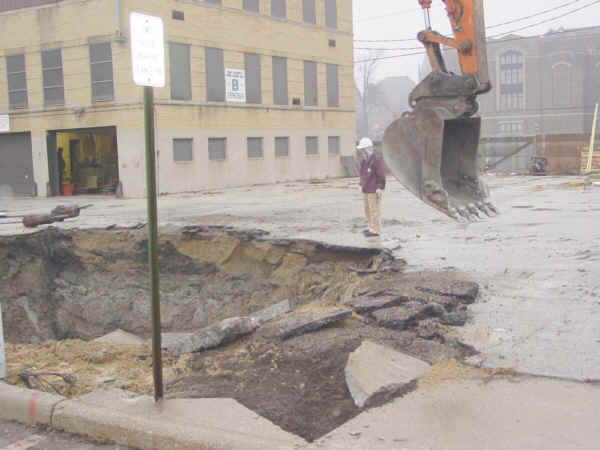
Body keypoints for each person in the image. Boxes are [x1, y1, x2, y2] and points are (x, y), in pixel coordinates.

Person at [357, 137, 386, 237]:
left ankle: (375, 230)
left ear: (367, 149)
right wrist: (360, 184)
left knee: (374, 210)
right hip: (366, 189)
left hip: (374, 190)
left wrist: (380, 187)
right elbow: (362, 174)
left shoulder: (377, 160)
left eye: (363, 149)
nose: (361, 152)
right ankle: (370, 227)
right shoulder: (364, 161)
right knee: (367, 209)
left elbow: (381, 174)